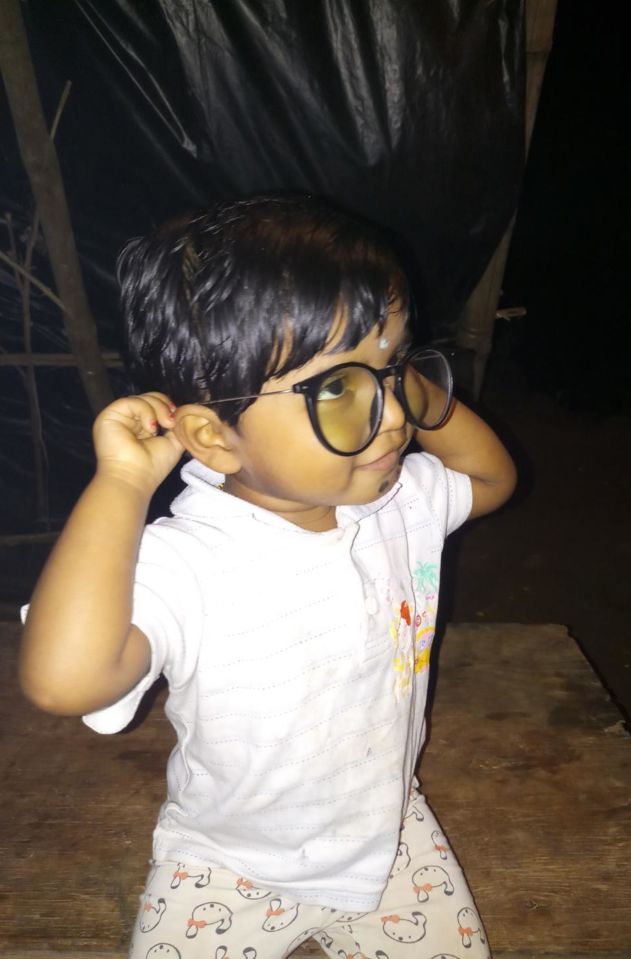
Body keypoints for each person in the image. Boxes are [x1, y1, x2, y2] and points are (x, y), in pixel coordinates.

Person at [20, 195, 516, 959]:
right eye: (339, 389)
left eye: (394, 370)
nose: (392, 415)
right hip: (226, 861)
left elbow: (491, 479)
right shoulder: (187, 561)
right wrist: (121, 483)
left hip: (385, 831)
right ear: (214, 438)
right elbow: (64, 681)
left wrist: (401, 381)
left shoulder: (395, 499)